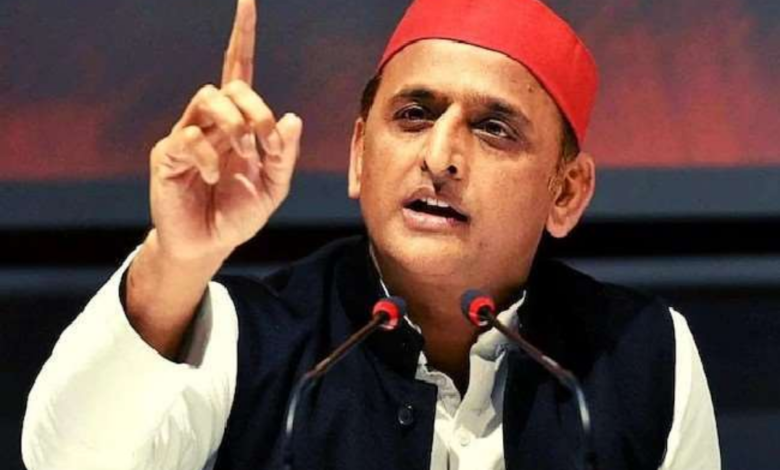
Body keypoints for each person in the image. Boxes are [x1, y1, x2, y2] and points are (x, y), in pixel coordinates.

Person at [22, 0, 720, 469]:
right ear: (360, 155)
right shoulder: (247, 339)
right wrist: (178, 256)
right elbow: (66, 459)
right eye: (414, 115)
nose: (441, 156)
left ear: (564, 192)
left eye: (493, 128)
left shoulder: (644, 355)